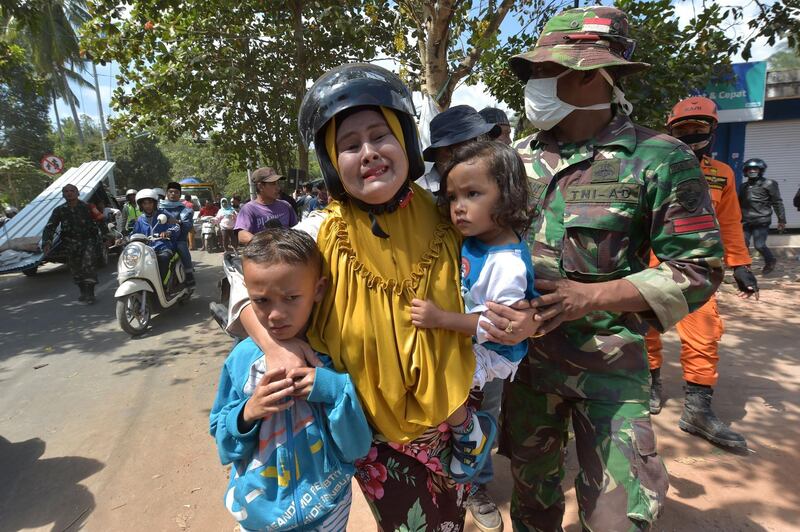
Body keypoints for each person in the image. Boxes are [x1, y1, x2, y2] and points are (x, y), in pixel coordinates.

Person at [227, 64, 537, 530]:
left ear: (406, 142)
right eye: (350, 145)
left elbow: (511, 273)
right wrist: (276, 349)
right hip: (367, 432)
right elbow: (241, 288)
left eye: (380, 136)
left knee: (448, 521)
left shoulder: (450, 216)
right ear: (333, 162)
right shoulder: (317, 234)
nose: (368, 152)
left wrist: (525, 319)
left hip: (449, 420)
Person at [503, 7, 724, 530]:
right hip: (526, 371)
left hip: (610, 369)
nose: (533, 84)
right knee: (533, 505)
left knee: (617, 517)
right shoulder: (512, 160)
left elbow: (698, 269)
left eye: (541, 71)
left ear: (585, 75)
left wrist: (591, 297)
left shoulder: (659, 157)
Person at [210, 228, 371, 531]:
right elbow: (224, 442)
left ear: (318, 290)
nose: (275, 315)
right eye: (262, 300)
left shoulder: (330, 354)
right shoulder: (242, 360)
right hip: (258, 516)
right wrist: (247, 414)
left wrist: (333, 390)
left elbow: (356, 447)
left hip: (329, 509)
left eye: (291, 298)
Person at [410, 142, 536, 489]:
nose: (459, 208)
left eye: (472, 194)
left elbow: (498, 327)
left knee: (437, 383)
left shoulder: (507, 264)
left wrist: (441, 318)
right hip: (472, 335)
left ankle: (470, 434)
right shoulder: (477, 237)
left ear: (507, 196)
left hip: (495, 351)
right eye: (452, 198)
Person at [645, 96, 758, 450]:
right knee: (646, 331)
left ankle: (696, 408)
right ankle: (650, 383)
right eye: (684, 129)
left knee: (705, 334)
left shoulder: (722, 174)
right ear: (671, 131)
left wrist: (740, 264)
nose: (692, 135)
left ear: (713, 130)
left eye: (699, 128)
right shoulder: (650, 167)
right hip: (650, 266)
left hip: (696, 271)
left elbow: (729, 222)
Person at [41, 184, 105, 304]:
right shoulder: (59, 210)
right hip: (70, 244)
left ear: (77, 193)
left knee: (88, 266)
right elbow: (50, 227)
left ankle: (90, 294)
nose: (69, 193)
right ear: (63, 194)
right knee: (76, 270)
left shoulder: (88, 207)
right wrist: (47, 241)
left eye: (72, 190)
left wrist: (107, 236)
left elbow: (100, 220)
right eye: (66, 191)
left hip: (88, 242)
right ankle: (82, 292)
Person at [416, 105, 499, 195]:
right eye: (478, 142)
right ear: (447, 150)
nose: (486, 151)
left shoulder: (491, 185)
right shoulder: (419, 196)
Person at [739, 158, 786, 274]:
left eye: (755, 169)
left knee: (759, 245)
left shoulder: (769, 183)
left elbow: (777, 202)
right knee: (742, 244)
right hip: (745, 220)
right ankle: (744, 265)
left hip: (761, 220)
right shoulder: (743, 186)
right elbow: (737, 203)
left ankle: (770, 260)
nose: (752, 171)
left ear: (761, 170)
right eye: (750, 169)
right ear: (745, 171)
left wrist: (782, 220)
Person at [234, 167, 298, 245]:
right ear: (260, 186)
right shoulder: (248, 209)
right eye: (273, 184)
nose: (278, 188)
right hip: (262, 256)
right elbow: (242, 236)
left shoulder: (286, 206)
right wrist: (267, 242)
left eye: (278, 183)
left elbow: (296, 230)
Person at [132, 189, 181, 279]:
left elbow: (176, 226)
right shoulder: (140, 219)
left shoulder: (163, 214)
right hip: (146, 250)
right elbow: (134, 233)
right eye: (144, 203)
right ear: (141, 205)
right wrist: (124, 239)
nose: (147, 206)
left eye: (150, 203)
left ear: (154, 203)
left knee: (163, 259)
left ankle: (163, 285)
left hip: (163, 246)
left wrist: (168, 232)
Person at [161, 182, 196, 286]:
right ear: (166, 193)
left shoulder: (185, 209)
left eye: (176, 192)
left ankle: (189, 273)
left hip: (178, 238)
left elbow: (187, 225)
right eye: (170, 192)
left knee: (182, 248)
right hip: (160, 238)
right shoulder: (159, 208)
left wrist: (179, 222)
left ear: (180, 195)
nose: (173, 194)